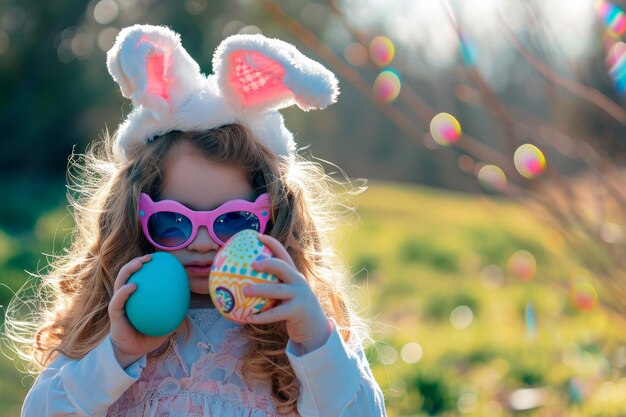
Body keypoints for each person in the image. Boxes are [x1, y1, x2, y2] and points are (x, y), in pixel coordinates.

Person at [12, 24, 387, 417]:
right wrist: (116, 355)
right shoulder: (114, 329)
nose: (205, 243)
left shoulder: (300, 333)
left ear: (274, 217)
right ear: (136, 219)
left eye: (232, 221)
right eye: (173, 222)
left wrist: (314, 342)